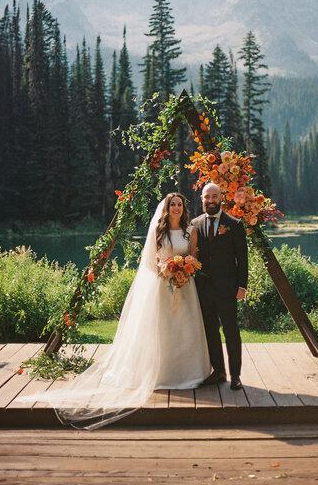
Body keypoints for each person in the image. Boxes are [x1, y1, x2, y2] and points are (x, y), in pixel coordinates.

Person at [16, 192, 210, 429]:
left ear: (183, 208)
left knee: (185, 330)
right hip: (162, 286)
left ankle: (187, 375)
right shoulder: (158, 232)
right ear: (166, 209)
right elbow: (150, 261)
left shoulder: (191, 230)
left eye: (179, 204)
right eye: (173, 205)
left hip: (185, 288)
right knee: (161, 329)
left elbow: (193, 255)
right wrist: (167, 270)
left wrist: (185, 269)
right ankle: (161, 375)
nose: (176, 208)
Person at [192, 183, 248, 390]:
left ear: (221, 198)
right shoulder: (194, 224)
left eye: (215, 196)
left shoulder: (234, 225)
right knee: (210, 332)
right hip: (203, 290)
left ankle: (236, 376)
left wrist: (242, 286)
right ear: (202, 199)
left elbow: (242, 259)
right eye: (207, 197)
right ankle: (219, 371)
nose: (211, 200)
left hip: (228, 289)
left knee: (231, 332)